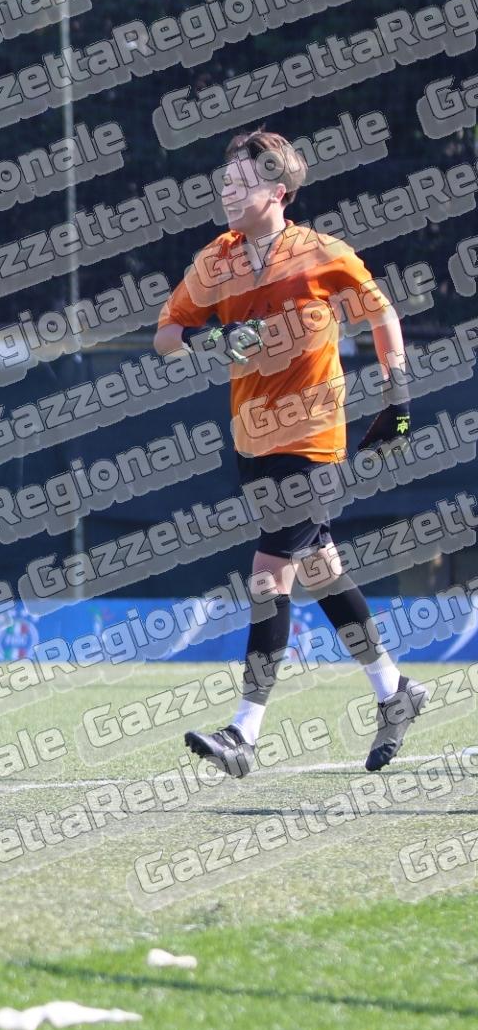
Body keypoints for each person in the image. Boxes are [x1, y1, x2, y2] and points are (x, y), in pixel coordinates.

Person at [161, 127, 425, 776]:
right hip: (252, 439)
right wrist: (208, 343)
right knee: (320, 570)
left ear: (278, 191)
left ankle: (244, 732)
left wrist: (397, 398)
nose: (227, 193)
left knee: (268, 572)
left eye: (241, 183)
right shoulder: (216, 259)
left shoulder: (320, 252)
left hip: (312, 437)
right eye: (224, 183)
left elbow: (382, 313)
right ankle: (394, 690)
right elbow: (167, 333)